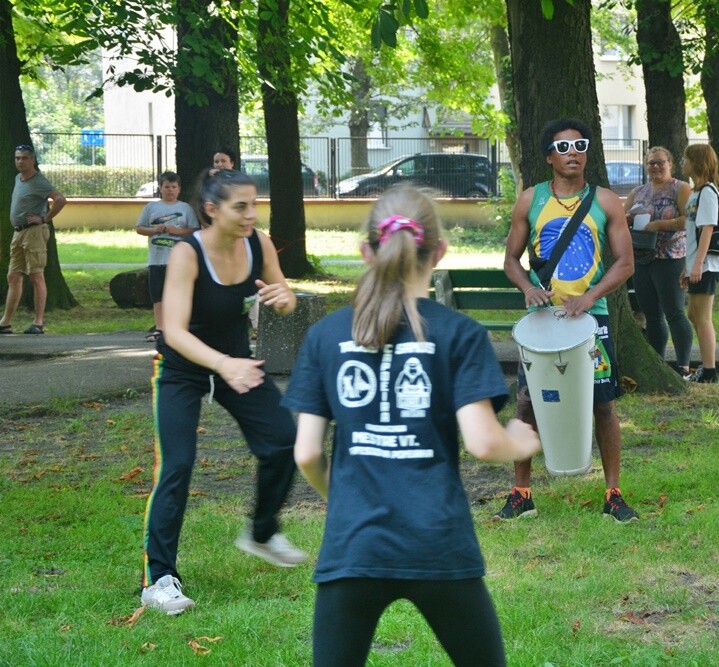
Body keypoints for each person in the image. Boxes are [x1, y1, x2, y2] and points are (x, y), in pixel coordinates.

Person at [284, 184, 540, 666]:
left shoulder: (325, 336)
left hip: (353, 546)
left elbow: (307, 453)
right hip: (437, 541)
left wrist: (341, 498)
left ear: (366, 252)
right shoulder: (461, 334)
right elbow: (484, 443)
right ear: (439, 252)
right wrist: (519, 441)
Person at [140, 169, 307, 616]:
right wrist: (221, 364)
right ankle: (159, 580)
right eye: (241, 207)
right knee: (176, 465)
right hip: (182, 369)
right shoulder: (187, 254)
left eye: (254, 204)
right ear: (212, 210)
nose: (251, 214)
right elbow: (174, 331)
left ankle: (261, 532)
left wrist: (284, 300)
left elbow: (285, 295)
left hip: (237, 363)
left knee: (284, 441)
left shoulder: (259, 243)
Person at [493, 118, 639, 523]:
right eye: (562, 148)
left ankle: (613, 495)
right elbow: (510, 260)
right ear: (548, 157)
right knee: (527, 404)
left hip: (593, 321)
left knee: (603, 403)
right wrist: (528, 287)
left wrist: (590, 297)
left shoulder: (606, 201)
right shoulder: (531, 200)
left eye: (579, 146)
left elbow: (625, 263)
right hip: (542, 322)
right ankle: (521, 494)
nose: (572, 153)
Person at [623, 147, 693, 375]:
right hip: (642, 259)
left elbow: (689, 220)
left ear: (670, 163)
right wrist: (629, 218)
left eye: (660, 162)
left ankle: (683, 367)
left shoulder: (681, 188)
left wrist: (658, 225)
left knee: (675, 313)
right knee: (652, 315)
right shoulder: (637, 192)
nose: (655, 167)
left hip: (670, 258)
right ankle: (658, 365)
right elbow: (621, 220)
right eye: (651, 163)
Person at [1, 144, 66, 335]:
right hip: (18, 233)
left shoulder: (39, 181)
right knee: (13, 276)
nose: (20, 161)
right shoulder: (18, 178)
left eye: (24, 158)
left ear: (33, 160)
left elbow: (60, 199)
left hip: (34, 233)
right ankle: (5, 323)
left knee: (36, 276)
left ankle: (38, 323)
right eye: (17, 158)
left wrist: (44, 218)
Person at [679, 144, 719, 384]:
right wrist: (687, 267)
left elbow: (708, 228)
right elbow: (692, 233)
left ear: (696, 162)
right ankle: (706, 367)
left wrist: (698, 264)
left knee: (703, 317)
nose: (682, 163)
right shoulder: (696, 192)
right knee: (693, 314)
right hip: (697, 263)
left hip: (708, 265)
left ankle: (709, 371)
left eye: (686, 159)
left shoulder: (708, 191)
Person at [135, 172, 199, 342]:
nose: (170, 190)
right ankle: (160, 328)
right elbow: (139, 228)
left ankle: (179, 327)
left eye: (173, 187)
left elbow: (194, 230)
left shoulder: (186, 209)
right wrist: (154, 230)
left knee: (179, 295)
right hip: (157, 259)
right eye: (166, 187)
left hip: (178, 261)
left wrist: (178, 231)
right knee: (158, 295)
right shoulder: (151, 208)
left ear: (179, 189)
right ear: (160, 188)